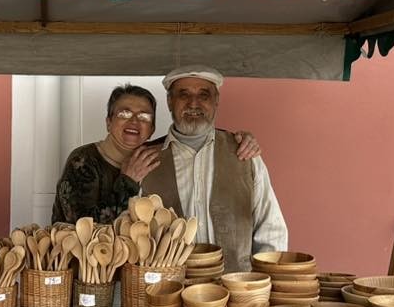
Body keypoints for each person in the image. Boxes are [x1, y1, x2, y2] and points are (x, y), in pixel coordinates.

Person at [138, 66, 288, 273]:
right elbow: (133, 232)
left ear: (216, 101)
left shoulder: (244, 153)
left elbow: (270, 228)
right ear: (170, 102)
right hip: (169, 288)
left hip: (236, 287)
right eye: (183, 95)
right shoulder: (145, 159)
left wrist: (263, 283)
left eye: (204, 95)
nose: (193, 103)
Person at [52, 83, 261, 225]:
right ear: (108, 122)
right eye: (124, 113)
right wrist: (128, 181)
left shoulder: (153, 156)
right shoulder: (83, 161)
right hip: (83, 272)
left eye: (144, 116)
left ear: (151, 129)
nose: (134, 121)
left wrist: (236, 140)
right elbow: (83, 229)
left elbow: (197, 138)